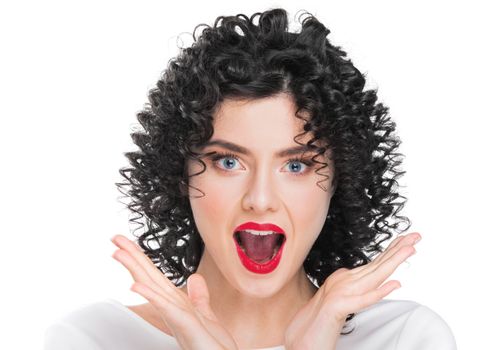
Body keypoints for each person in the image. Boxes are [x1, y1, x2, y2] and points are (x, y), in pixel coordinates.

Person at [44, 8, 456, 350]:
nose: (260, 199)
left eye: (296, 165)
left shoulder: (404, 338)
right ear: (179, 173)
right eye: (227, 162)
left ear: (339, 181)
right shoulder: (91, 339)